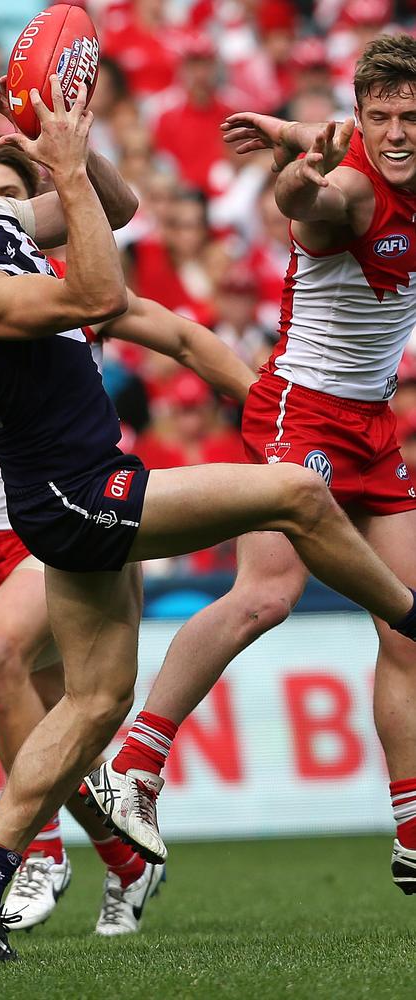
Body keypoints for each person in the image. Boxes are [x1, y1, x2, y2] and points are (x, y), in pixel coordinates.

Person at [0, 74, 416, 964]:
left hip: (82, 491)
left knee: (96, 705)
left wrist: (72, 143)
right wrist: (59, 170)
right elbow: (98, 298)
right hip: (79, 500)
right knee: (296, 492)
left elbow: (120, 207)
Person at [0, 131, 256, 936]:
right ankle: (117, 861)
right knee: (72, 710)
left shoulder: (22, 253)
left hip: (53, 505)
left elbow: (146, 299)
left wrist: (261, 408)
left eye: (1, 182)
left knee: (6, 661)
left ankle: (30, 856)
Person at [83, 33, 416, 899]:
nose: (395, 133)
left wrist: (286, 124)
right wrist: (299, 165)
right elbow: (307, 195)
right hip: (298, 408)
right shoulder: (345, 189)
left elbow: (335, 140)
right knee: (266, 595)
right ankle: (136, 766)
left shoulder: (369, 144)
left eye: (408, 115)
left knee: (407, 629)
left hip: (375, 424)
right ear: (358, 121)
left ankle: (413, 830)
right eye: (378, 117)